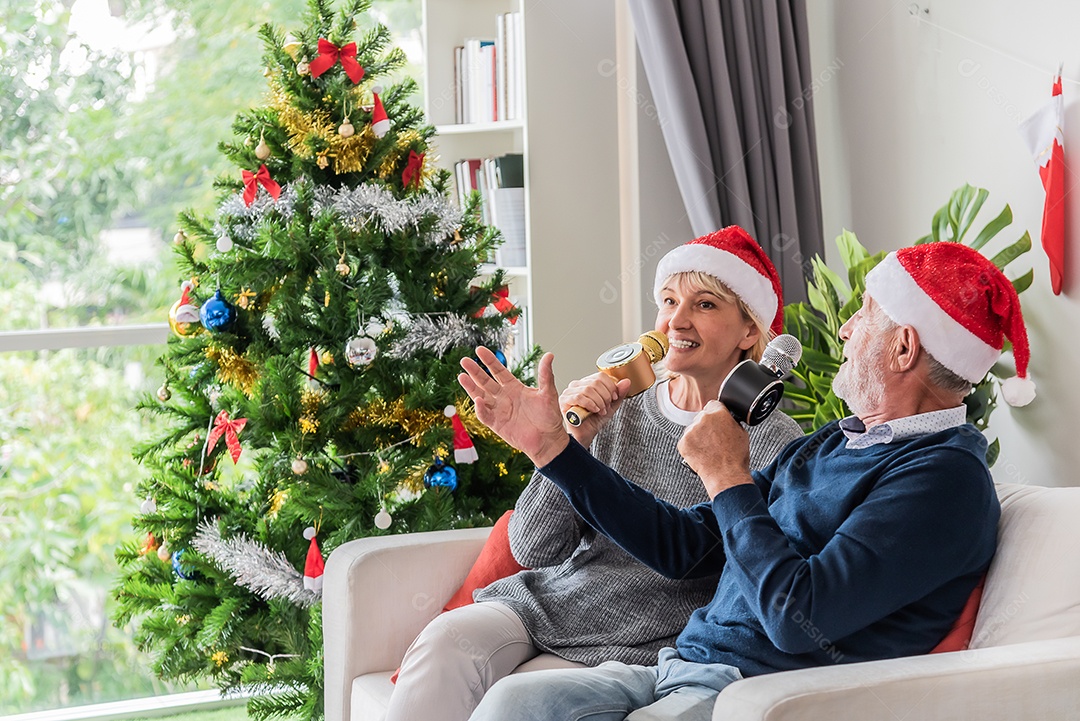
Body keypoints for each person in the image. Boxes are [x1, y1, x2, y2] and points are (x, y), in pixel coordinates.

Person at [458, 241, 1033, 721]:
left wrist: (727, 475)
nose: (846, 329)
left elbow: (799, 617)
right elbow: (683, 549)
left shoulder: (944, 481)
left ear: (903, 347)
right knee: (513, 703)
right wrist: (555, 451)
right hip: (681, 668)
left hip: (758, 694)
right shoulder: (834, 442)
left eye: (863, 315)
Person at [386, 227, 805, 721]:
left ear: (749, 331)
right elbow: (533, 548)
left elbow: (745, 568)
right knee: (445, 642)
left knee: (525, 700)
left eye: (705, 304)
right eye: (669, 301)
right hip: (546, 604)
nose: (677, 320)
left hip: (649, 640)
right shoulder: (620, 409)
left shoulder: (776, 441)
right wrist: (570, 442)